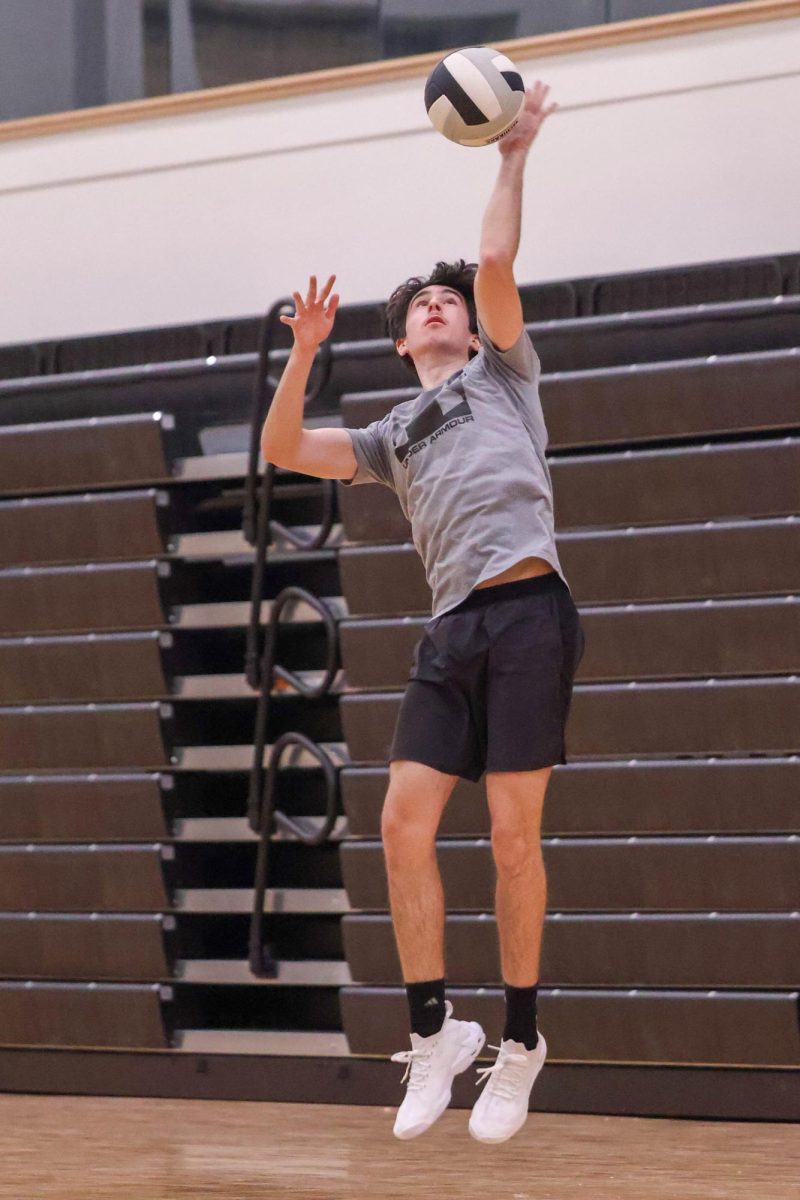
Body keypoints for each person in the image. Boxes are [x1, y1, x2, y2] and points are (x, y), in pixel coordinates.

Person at [260, 80, 585, 1145]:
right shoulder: (390, 433)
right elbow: (281, 451)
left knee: (507, 835)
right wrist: (304, 351)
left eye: (442, 301)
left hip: (529, 610)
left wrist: (512, 153)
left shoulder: (502, 372)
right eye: (420, 308)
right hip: (452, 629)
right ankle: (435, 1029)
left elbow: (491, 265)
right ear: (400, 342)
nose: (437, 306)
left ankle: (521, 1040)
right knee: (401, 825)